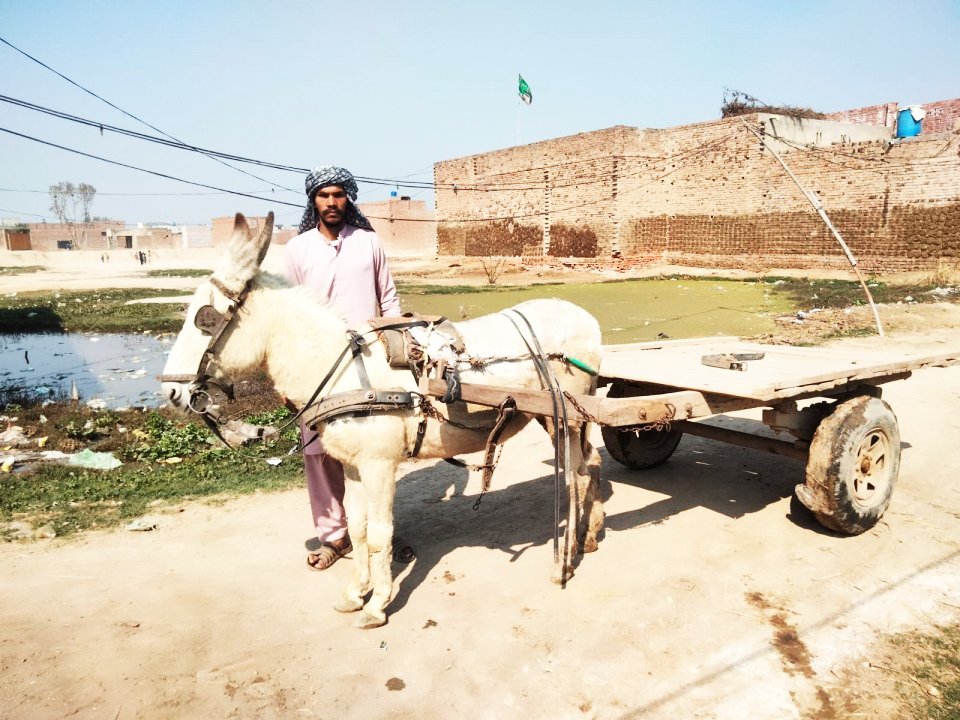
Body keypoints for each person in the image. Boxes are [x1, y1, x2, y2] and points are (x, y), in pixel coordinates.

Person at [285, 165, 401, 571]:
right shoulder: (297, 249)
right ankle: (335, 537)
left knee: (371, 449)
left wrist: (395, 346)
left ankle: (373, 532)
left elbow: (389, 299)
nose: (332, 202)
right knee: (319, 453)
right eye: (323, 196)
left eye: (338, 194)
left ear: (347, 198)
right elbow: (290, 313)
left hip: (369, 362)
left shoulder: (368, 242)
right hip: (316, 368)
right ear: (313, 201)